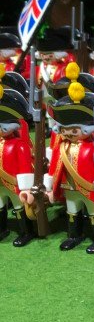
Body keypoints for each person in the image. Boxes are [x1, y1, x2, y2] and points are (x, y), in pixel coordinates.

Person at [46, 83, 94, 253]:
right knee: (72, 211)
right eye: (64, 130)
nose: (68, 133)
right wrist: (50, 186)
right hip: (69, 186)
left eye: (74, 130)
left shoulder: (93, 147)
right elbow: (54, 167)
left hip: (90, 188)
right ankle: (74, 235)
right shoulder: (61, 147)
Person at [0, 85, 34, 245]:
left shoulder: (19, 144)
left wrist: (26, 188)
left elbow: (25, 167)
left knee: (19, 206)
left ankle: (26, 232)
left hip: (14, 183)